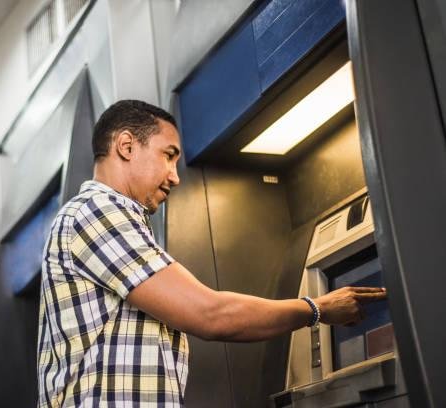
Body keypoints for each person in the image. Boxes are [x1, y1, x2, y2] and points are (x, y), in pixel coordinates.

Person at [37, 100, 387, 407]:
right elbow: (210, 314)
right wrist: (317, 309)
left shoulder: (106, 219)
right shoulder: (97, 212)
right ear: (126, 145)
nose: (175, 177)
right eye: (168, 156)